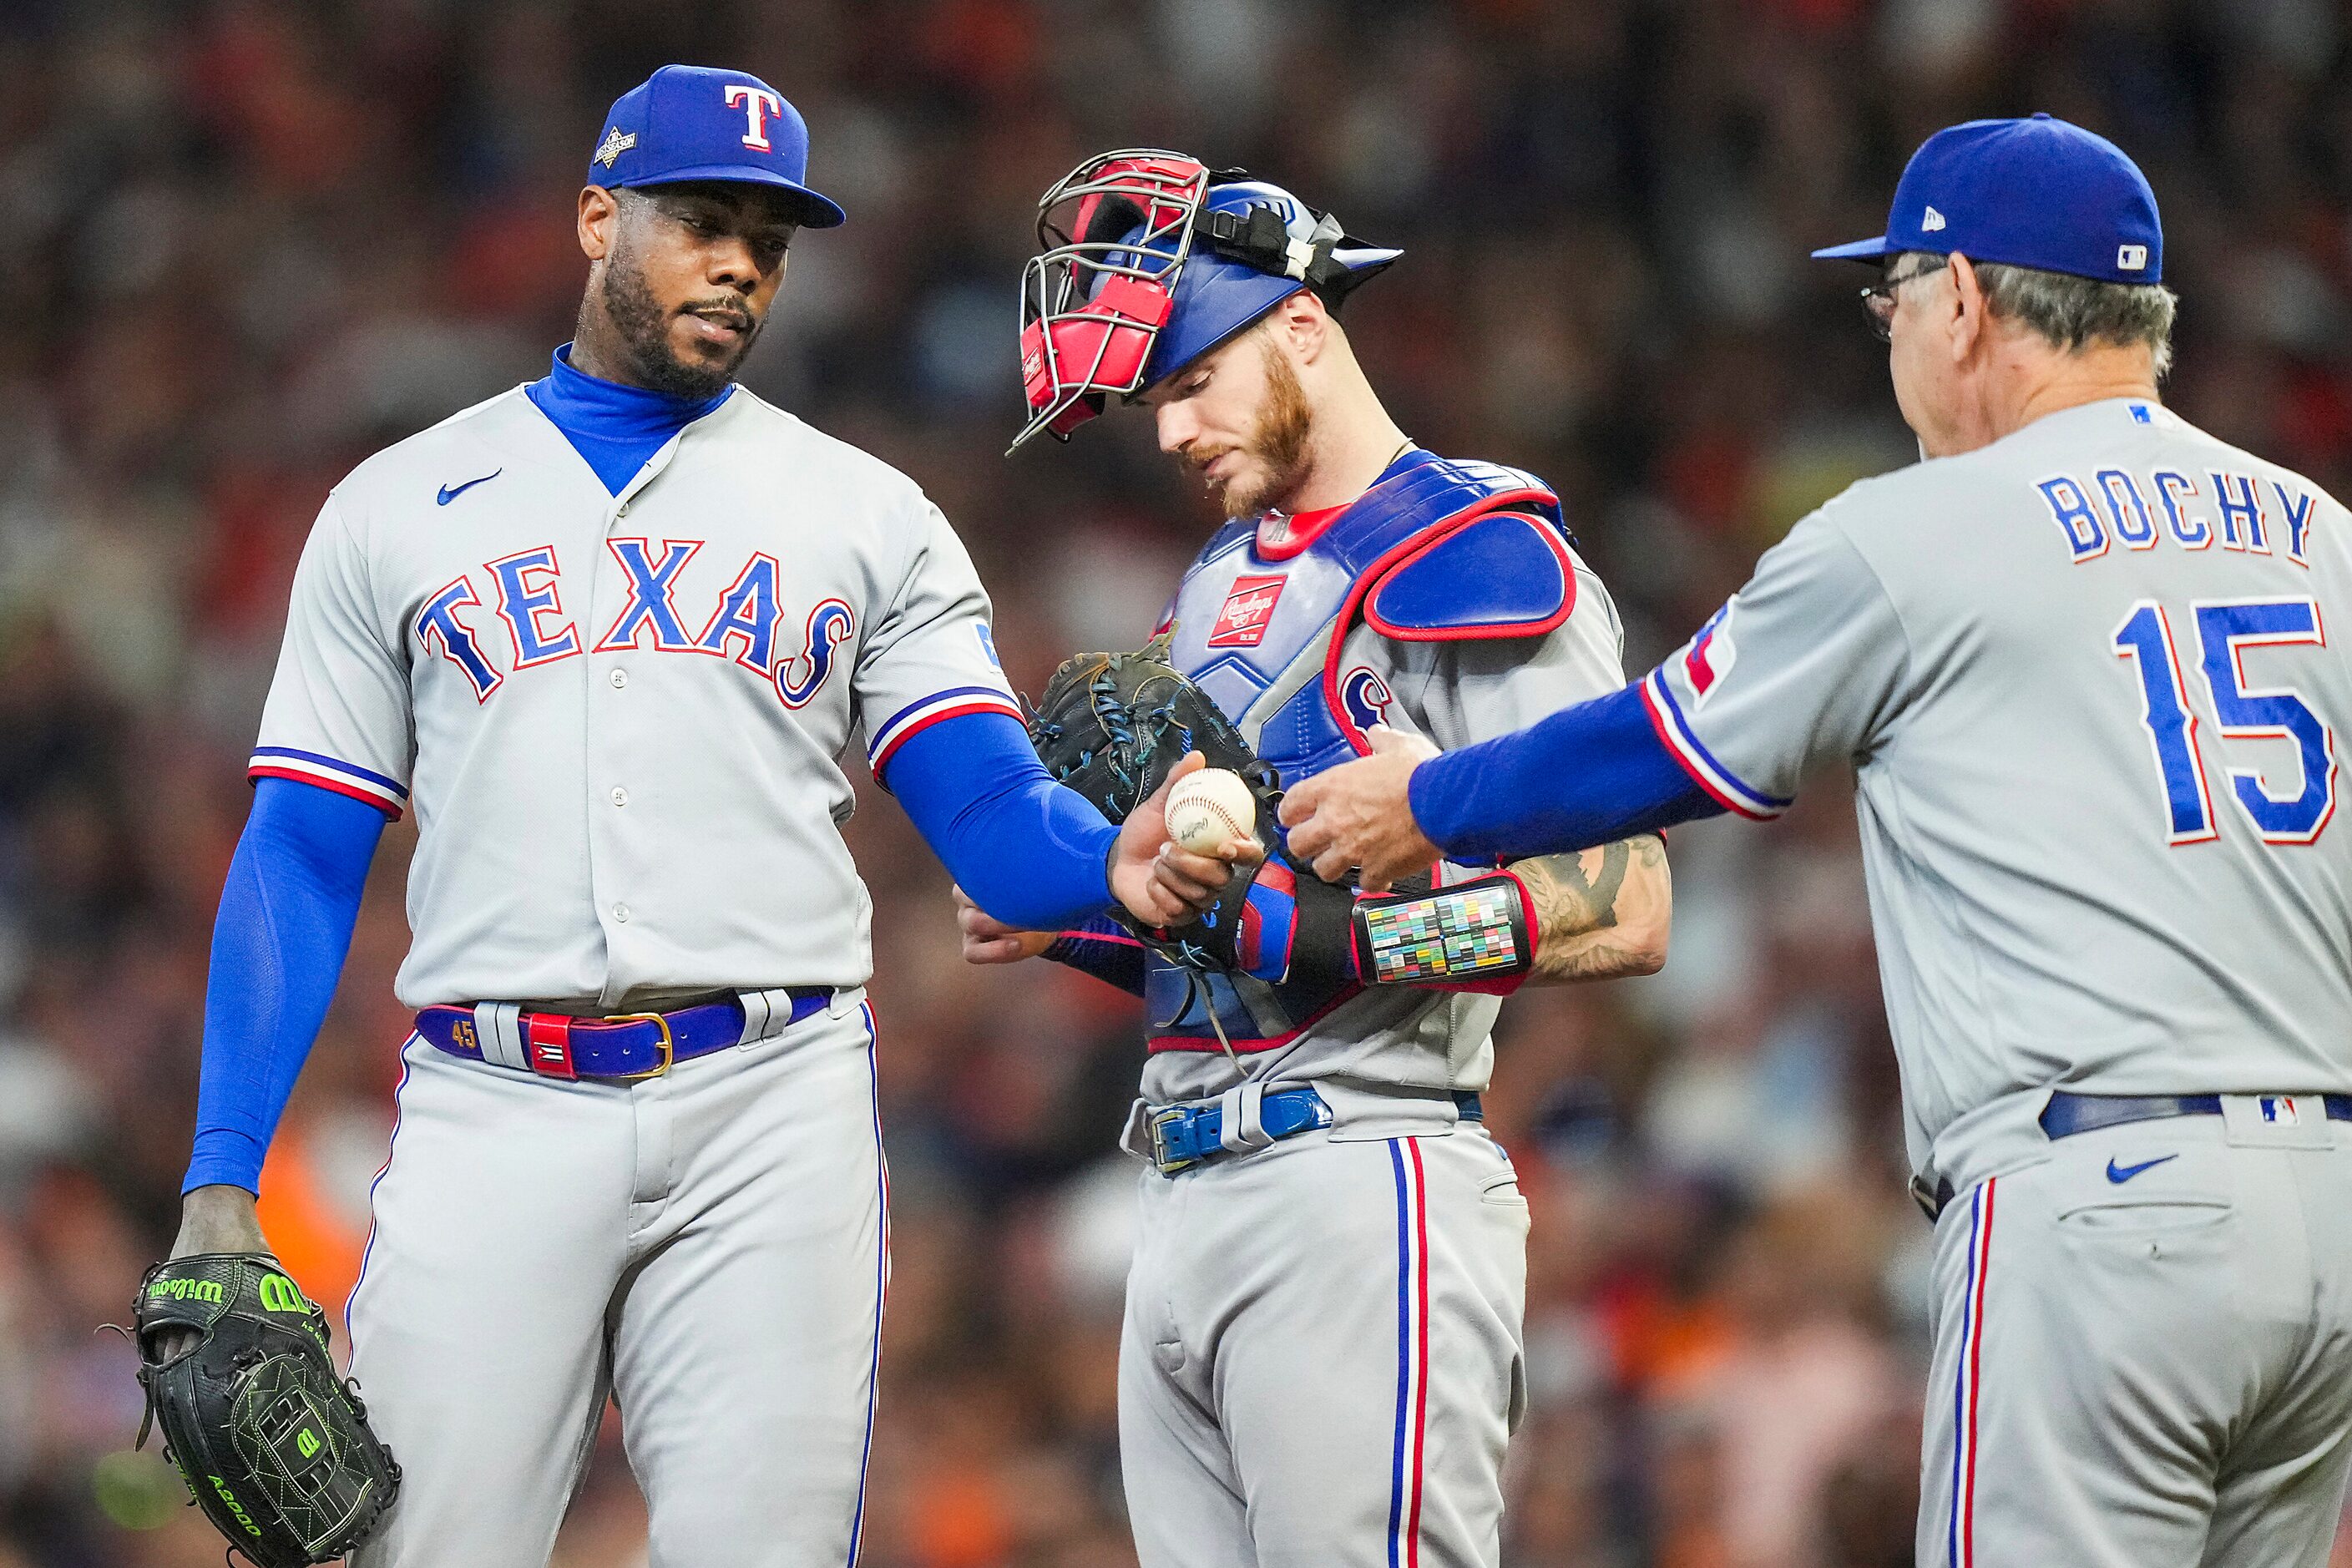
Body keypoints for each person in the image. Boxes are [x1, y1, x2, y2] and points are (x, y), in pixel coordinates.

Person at [162, 68, 1214, 1568]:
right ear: (598, 218)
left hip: (769, 1107)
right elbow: (300, 849)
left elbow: (982, 802)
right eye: (700, 222)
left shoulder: (866, 511)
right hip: (490, 1099)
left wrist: (1098, 858)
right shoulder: (396, 504)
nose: (738, 263)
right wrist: (221, 1172)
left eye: (768, 241)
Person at [1282, 114, 2352, 1568]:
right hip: (2327, 1211)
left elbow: (1655, 746)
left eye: (1894, 296)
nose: (1892, 332)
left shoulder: (1917, 529)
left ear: (1965, 299)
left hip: (2099, 1207)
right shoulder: (2318, 531)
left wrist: (1432, 797)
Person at [968, 151, 1672, 1568]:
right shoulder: (1217, 579)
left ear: (1299, 328)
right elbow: (1238, 938)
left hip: (1358, 1175)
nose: (1165, 432)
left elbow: (1625, 903)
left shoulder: (1470, 549)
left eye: (1184, 382)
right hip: (1178, 1184)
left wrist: (1327, 940)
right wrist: (1099, 918)